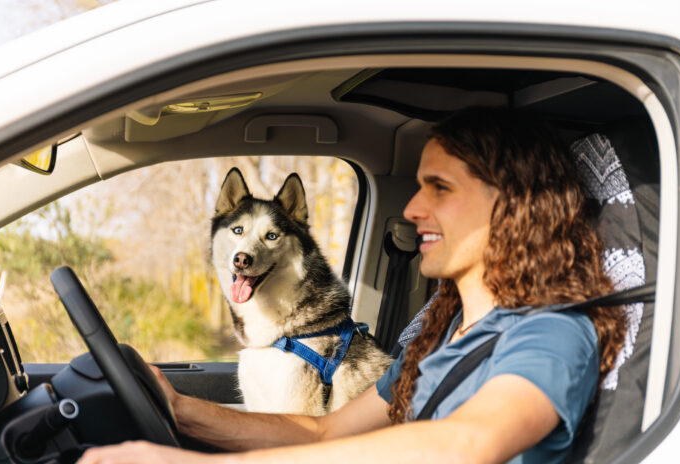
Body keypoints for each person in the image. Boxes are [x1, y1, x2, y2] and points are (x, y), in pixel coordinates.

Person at [77, 108, 626, 464]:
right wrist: (179, 409)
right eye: (417, 187)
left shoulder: (553, 333)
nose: (412, 209)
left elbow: (469, 443)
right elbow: (324, 434)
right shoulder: (441, 333)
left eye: (439, 187)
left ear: (514, 205)